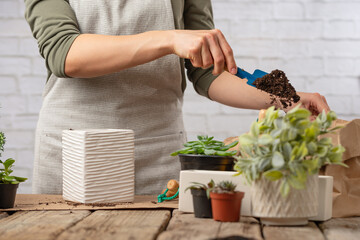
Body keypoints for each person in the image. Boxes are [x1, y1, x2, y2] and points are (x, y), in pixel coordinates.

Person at [25, 0, 329, 195]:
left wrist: (284, 97)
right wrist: (169, 38)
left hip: (156, 153)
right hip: (74, 154)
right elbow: (64, 54)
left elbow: (210, 71)